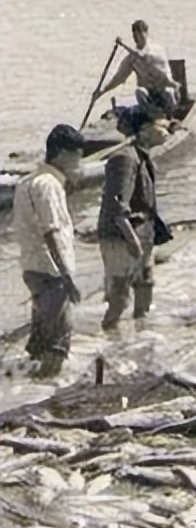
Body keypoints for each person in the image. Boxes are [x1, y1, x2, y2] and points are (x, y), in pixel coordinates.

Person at [14, 125, 86, 376]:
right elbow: (51, 232)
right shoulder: (49, 185)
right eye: (76, 155)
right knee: (58, 338)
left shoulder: (26, 182)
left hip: (33, 266)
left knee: (42, 334)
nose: (79, 160)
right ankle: (46, 392)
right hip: (51, 271)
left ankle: (26, 387)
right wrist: (66, 276)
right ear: (60, 155)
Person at [98, 106, 166, 330]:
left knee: (145, 285)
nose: (167, 129)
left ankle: (141, 337)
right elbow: (117, 204)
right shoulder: (124, 159)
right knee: (119, 298)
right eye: (161, 125)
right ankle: (109, 338)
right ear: (145, 129)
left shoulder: (141, 155)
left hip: (141, 232)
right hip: (122, 238)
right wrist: (132, 240)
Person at [95, 19, 180, 117]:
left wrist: (123, 45)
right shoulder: (131, 59)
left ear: (146, 33)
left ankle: (167, 113)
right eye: (135, 36)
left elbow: (145, 58)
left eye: (140, 34)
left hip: (165, 92)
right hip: (149, 96)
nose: (138, 38)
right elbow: (119, 78)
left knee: (167, 93)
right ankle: (152, 116)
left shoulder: (156, 50)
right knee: (139, 91)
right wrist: (101, 92)